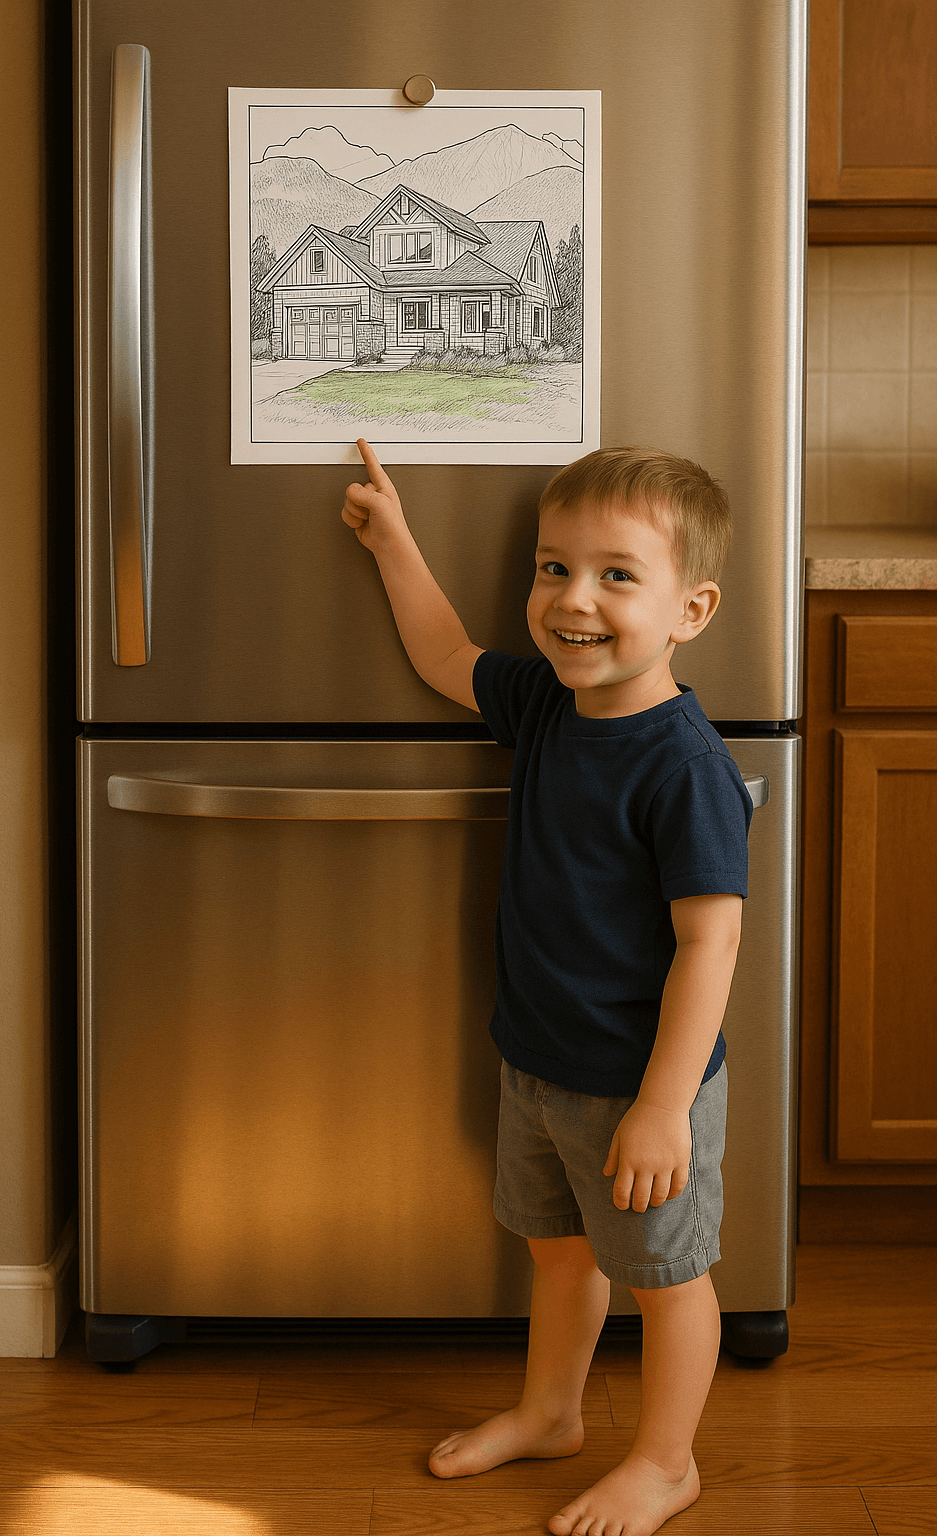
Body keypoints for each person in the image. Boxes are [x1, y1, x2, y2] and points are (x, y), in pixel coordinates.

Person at [341, 438, 752, 1536]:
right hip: (535, 1061)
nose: (573, 599)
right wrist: (394, 540)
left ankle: (667, 1464)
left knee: (667, 1280)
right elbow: (445, 655)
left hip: (637, 1088)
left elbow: (710, 947)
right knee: (558, 1252)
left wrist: (663, 1108)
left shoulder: (685, 766)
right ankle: (551, 1412)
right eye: (552, 566)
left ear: (690, 610)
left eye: (617, 575)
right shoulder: (543, 704)